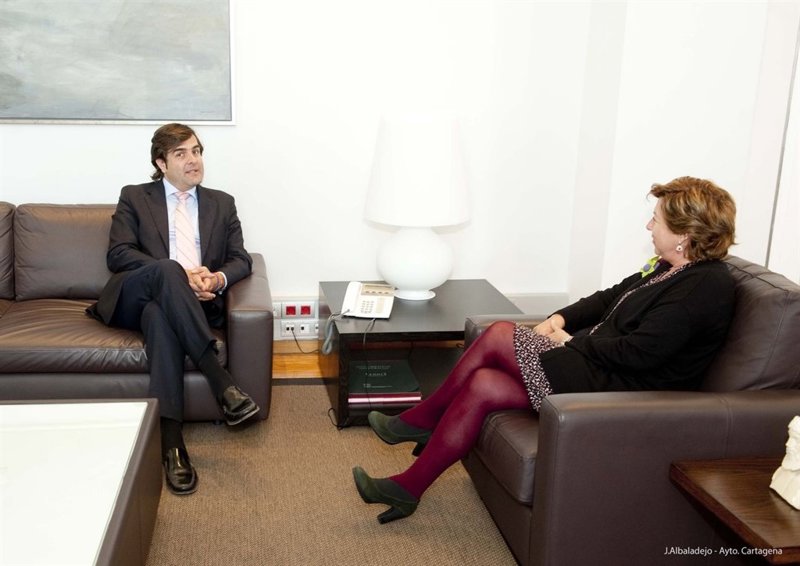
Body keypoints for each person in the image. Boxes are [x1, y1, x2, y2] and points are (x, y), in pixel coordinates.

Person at [352, 176, 738, 523]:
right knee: (484, 384)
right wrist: (559, 317)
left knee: (500, 334)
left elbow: (640, 353)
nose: (649, 226)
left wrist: (571, 341)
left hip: (621, 388)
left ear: (684, 233)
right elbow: (607, 298)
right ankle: (407, 488)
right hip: (598, 366)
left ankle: (422, 419)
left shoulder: (705, 287)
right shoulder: (670, 268)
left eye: (657, 219)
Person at [87, 123, 259, 495]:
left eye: (196, 151)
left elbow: (241, 259)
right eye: (181, 154)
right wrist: (180, 275)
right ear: (161, 163)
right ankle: (222, 383)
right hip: (134, 296)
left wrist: (215, 279)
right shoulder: (134, 196)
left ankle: (172, 445)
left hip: (187, 306)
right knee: (167, 269)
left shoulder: (222, 203)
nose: (193, 160)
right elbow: (119, 254)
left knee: (160, 317)